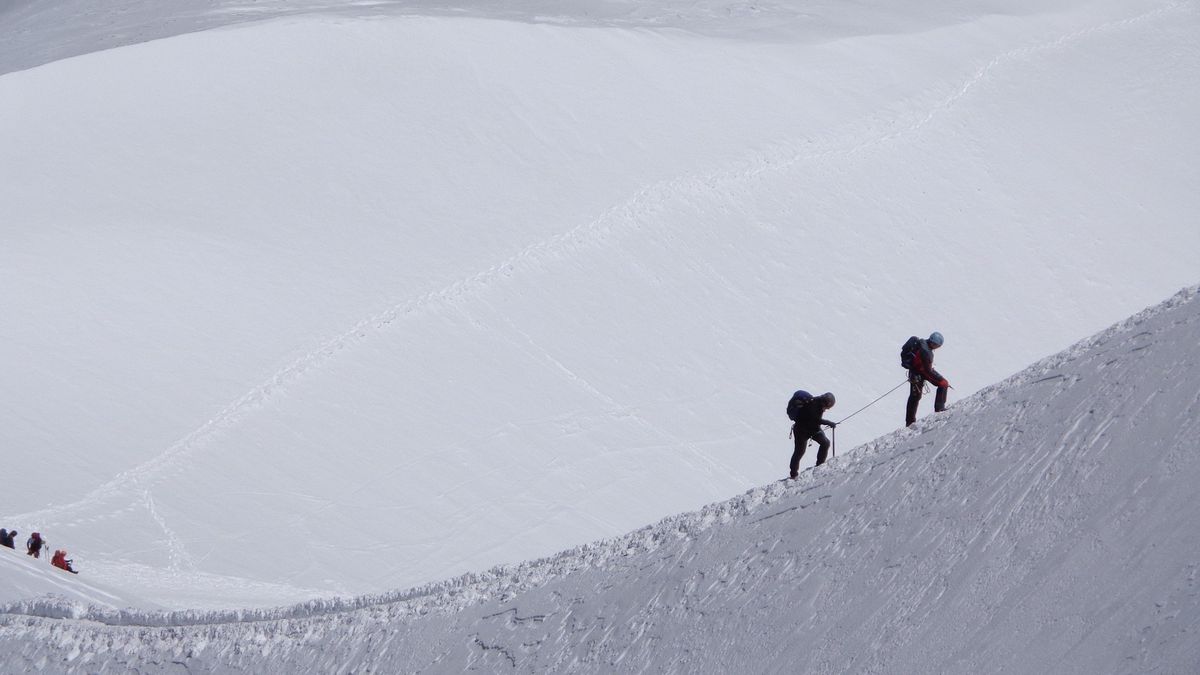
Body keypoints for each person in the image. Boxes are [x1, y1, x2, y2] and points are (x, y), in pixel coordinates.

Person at [902, 331, 950, 426]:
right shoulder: (927, 352)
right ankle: (940, 409)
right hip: (921, 372)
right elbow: (928, 371)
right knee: (944, 384)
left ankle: (909, 422)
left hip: (914, 373)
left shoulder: (921, 343)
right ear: (934, 344)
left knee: (914, 397)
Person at [788, 392, 837, 478]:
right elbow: (815, 420)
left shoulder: (817, 403)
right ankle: (793, 474)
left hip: (809, 430)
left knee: (824, 443)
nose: (827, 409)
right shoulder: (814, 404)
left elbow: (814, 420)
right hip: (802, 431)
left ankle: (819, 465)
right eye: (829, 407)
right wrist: (829, 423)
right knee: (799, 452)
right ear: (827, 403)